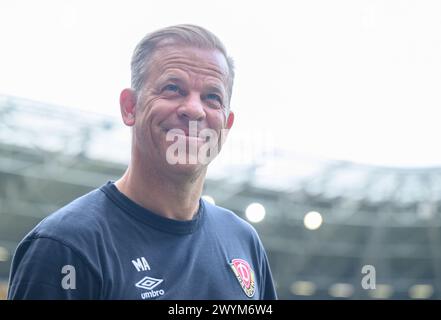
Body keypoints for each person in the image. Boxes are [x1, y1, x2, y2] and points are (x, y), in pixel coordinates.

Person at [7, 24, 277, 300]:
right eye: (173, 88)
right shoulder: (66, 246)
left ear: (227, 125)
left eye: (212, 97)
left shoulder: (243, 241)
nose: (194, 110)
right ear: (130, 107)